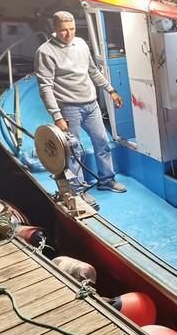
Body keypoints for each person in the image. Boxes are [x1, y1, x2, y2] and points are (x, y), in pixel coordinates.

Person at [35, 11, 127, 198]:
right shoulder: (45, 52)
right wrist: (57, 116)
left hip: (91, 104)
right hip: (69, 108)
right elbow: (45, 87)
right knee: (73, 150)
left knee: (102, 143)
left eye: (72, 29)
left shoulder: (81, 44)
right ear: (54, 29)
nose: (68, 34)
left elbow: (92, 70)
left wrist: (110, 90)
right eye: (63, 31)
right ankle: (77, 190)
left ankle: (106, 180)